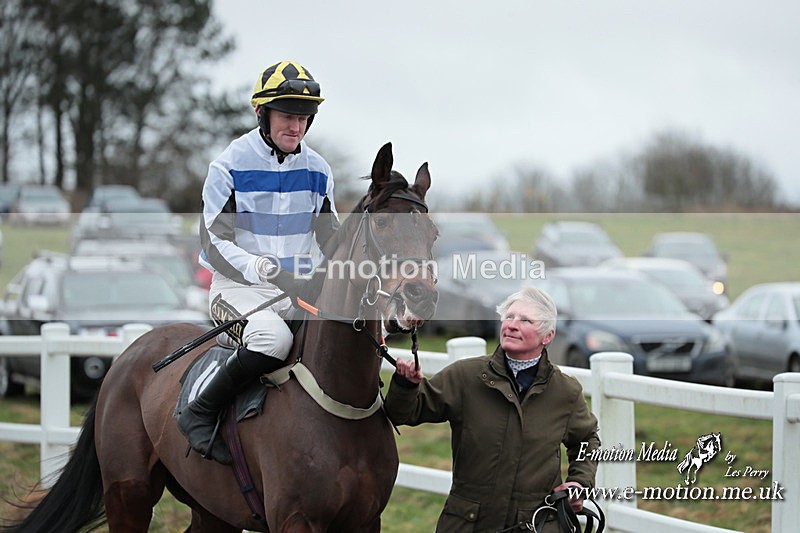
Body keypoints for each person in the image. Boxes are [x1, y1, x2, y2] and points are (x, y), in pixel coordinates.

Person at [178, 60, 340, 464]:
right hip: (237, 289)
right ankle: (200, 409)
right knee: (274, 340)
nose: (296, 128)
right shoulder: (228, 166)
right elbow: (214, 244)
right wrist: (271, 271)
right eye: (287, 117)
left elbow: (330, 239)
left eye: (304, 119)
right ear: (262, 114)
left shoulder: (319, 170)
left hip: (297, 290)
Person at [384, 285, 600, 532]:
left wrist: (579, 482)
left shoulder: (565, 392)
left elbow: (587, 439)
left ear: (547, 336)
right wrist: (406, 385)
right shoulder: (466, 376)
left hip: (536, 525)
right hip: (467, 524)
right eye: (509, 317)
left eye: (526, 320)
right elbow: (405, 413)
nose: (512, 324)